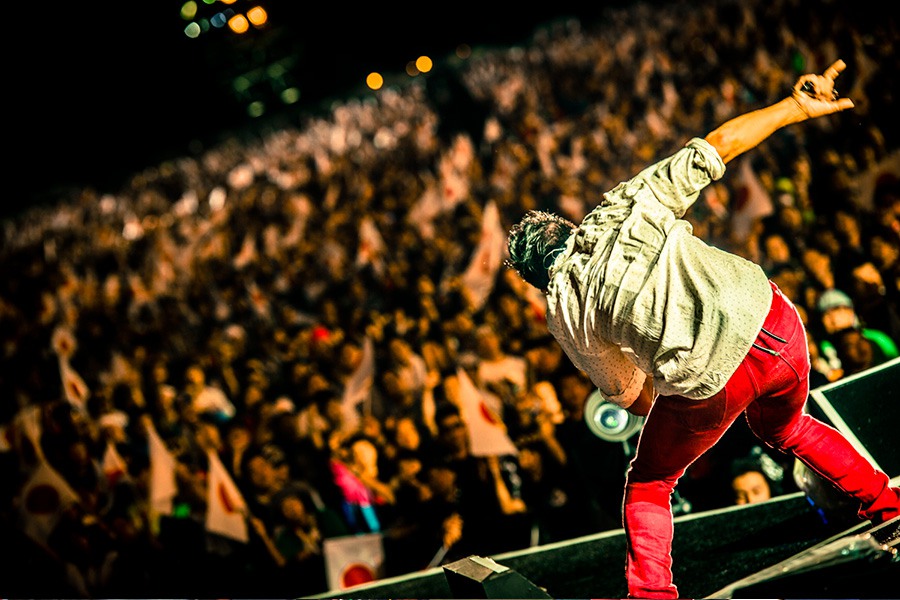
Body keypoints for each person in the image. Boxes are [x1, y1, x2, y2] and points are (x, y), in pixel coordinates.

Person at [505, 59, 900, 599]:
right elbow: (720, 143)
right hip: (778, 324)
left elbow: (632, 395)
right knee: (789, 427)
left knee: (648, 481)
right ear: (568, 227)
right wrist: (795, 107)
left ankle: (651, 596)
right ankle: (888, 505)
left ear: (534, 280)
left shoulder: (564, 308)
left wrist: (689, 408)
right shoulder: (624, 202)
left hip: (708, 382)